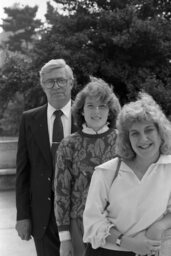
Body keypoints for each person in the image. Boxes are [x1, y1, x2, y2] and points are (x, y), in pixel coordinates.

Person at [83, 92, 171, 256]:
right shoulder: (106, 172)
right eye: (135, 133)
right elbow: (91, 223)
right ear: (127, 138)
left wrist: (159, 226)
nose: (143, 139)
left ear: (161, 132)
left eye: (149, 130)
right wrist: (127, 242)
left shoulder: (169, 168)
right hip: (107, 252)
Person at [15, 59, 77, 256]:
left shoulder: (89, 116)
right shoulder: (29, 120)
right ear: (43, 85)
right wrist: (23, 216)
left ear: (71, 83)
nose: (56, 86)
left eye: (61, 80)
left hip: (80, 214)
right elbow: (23, 173)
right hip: (43, 215)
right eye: (50, 81)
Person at [54, 78, 121, 256]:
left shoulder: (123, 141)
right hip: (80, 225)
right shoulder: (69, 144)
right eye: (90, 105)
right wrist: (65, 238)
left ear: (110, 111)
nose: (96, 111)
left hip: (118, 225)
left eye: (102, 106)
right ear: (82, 110)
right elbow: (61, 192)